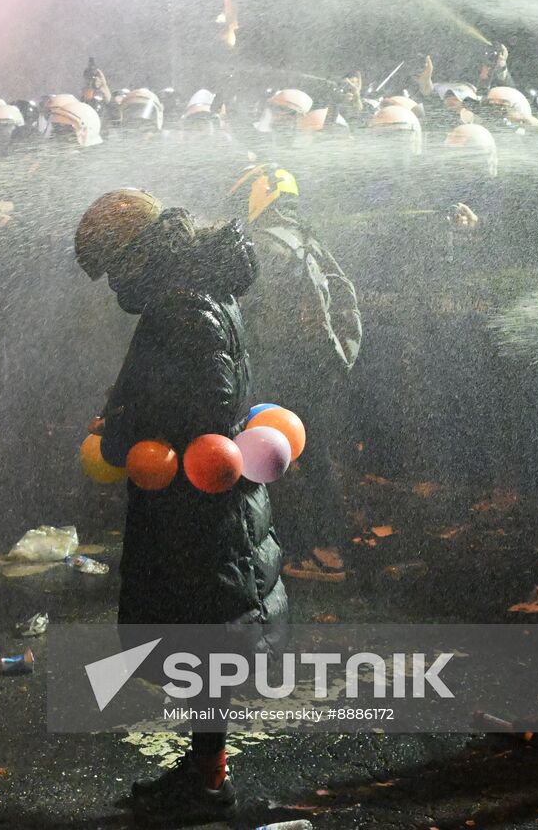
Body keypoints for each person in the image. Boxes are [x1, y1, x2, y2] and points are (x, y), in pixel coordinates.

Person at [74, 189, 286, 823]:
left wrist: (124, 426)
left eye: (115, 268)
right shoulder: (193, 286)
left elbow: (207, 404)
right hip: (200, 501)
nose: (114, 284)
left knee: (204, 637)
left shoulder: (182, 305)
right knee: (204, 638)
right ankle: (204, 769)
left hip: (199, 508)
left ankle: (207, 783)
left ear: (139, 255)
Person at [230, 166, 361, 571]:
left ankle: (309, 547)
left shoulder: (265, 244)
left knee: (272, 453)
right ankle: (327, 545)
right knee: (315, 454)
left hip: (284, 363)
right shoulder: (305, 238)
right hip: (321, 363)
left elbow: (252, 313)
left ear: (260, 194)